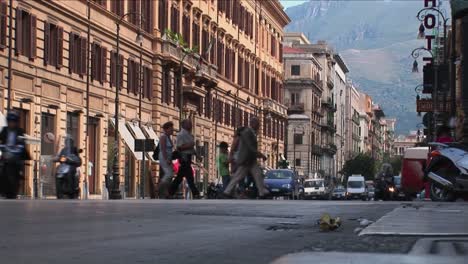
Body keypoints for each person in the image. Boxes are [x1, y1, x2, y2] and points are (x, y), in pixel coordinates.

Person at [223, 117, 269, 198]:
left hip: (250, 159)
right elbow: (250, 147)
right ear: (253, 124)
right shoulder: (248, 132)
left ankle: (262, 192)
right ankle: (227, 191)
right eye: (258, 124)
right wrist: (260, 155)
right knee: (239, 176)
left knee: (257, 175)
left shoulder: (250, 132)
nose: (259, 126)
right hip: (246, 159)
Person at [0, 111, 29, 199]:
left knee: (19, 163)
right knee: (1, 166)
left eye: (13, 121)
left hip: (16, 154)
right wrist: (2, 146)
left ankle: (20, 175)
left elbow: (22, 143)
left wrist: (19, 147)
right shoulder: (4, 130)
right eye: (10, 121)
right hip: (6, 153)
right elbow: (0, 140)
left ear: (16, 122)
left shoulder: (20, 131)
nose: (11, 123)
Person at [169, 119, 200, 198]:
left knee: (180, 177)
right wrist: (190, 145)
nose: (191, 125)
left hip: (188, 157)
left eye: (191, 123)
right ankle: (196, 193)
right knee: (189, 177)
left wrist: (197, 155)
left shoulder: (190, 135)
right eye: (189, 123)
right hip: (184, 157)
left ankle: (170, 192)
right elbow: (179, 147)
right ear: (184, 125)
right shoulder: (181, 135)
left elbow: (192, 148)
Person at [158, 121, 175, 198]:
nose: (172, 130)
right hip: (164, 157)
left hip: (169, 157)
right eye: (171, 129)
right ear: (166, 129)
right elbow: (163, 149)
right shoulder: (163, 137)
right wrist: (166, 159)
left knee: (171, 174)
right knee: (169, 174)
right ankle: (160, 187)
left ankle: (165, 192)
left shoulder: (168, 137)